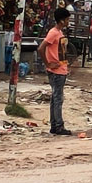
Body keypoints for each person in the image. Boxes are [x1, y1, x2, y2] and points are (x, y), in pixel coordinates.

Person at [37, 8, 72, 136]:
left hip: (59, 69)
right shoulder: (54, 33)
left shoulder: (58, 32)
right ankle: (58, 126)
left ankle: (54, 125)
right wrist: (48, 63)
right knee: (58, 98)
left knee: (55, 98)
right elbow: (41, 48)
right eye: (67, 19)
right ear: (62, 21)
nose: (68, 22)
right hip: (56, 71)